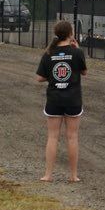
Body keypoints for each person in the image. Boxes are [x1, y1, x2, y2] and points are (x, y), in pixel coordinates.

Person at [35, 19, 86, 183]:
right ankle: (73, 175)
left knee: (52, 137)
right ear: (71, 34)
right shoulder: (77, 52)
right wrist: (77, 50)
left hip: (54, 99)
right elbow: (84, 72)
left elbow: (39, 78)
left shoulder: (49, 53)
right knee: (72, 137)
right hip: (73, 99)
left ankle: (48, 175)